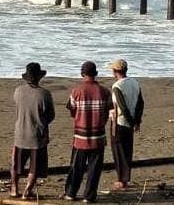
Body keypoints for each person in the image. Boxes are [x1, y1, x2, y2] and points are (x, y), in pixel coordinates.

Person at [63, 61, 112, 203]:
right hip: (98, 135)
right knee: (94, 169)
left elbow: (72, 112)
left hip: (80, 136)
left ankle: (71, 193)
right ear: (95, 74)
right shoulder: (105, 91)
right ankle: (89, 196)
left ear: (82, 74)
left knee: (76, 167)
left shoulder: (76, 91)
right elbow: (108, 111)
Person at [10, 62, 55, 199]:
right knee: (34, 167)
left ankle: (14, 187)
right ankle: (27, 191)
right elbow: (50, 116)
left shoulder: (18, 91)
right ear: (39, 77)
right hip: (37, 135)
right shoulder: (44, 94)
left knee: (17, 164)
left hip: (20, 132)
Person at [108, 59, 144, 190]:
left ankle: (122, 180)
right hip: (131, 121)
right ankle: (125, 179)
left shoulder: (117, 86)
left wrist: (131, 121)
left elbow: (122, 107)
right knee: (128, 151)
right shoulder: (135, 82)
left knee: (118, 152)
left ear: (115, 71)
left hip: (119, 122)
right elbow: (140, 103)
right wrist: (137, 121)